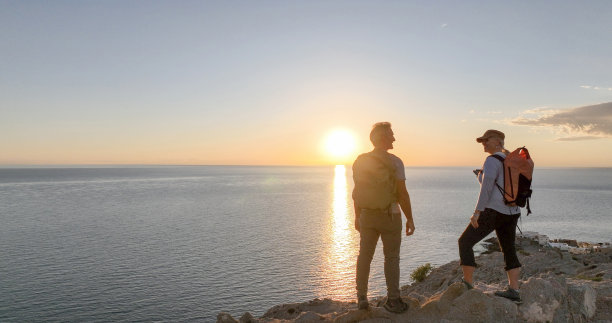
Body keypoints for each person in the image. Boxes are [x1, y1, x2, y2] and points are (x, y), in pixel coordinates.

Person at [352, 122, 415, 313]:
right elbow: (402, 194)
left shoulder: (360, 160)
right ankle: (393, 300)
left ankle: (362, 298)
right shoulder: (395, 162)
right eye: (391, 135)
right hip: (390, 215)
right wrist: (410, 218)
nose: (394, 138)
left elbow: (356, 192)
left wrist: (357, 216)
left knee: (365, 256)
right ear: (381, 138)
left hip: (366, 215)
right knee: (392, 258)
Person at [458, 129, 523, 303]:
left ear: (498, 141)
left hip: (493, 211)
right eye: (482, 141)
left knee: (464, 242)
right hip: (513, 211)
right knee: (508, 248)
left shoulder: (492, 160)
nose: (484, 143)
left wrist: (477, 212)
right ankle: (514, 290)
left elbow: (487, 188)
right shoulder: (511, 160)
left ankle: (468, 285)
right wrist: (481, 175)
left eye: (487, 140)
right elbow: (498, 184)